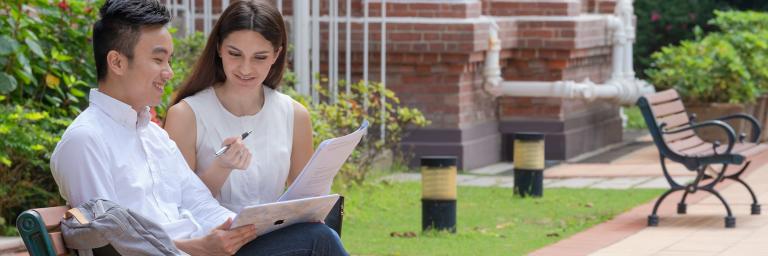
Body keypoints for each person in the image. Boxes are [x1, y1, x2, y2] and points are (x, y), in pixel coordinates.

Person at [49, 0, 347, 255]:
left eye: (169, 60)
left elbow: (200, 202)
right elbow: (107, 245)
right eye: (157, 59)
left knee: (316, 233)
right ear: (116, 62)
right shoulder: (86, 141)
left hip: (205, 250)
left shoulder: (152, 135)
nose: (168, 72)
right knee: (318, 242)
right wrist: (199, 248)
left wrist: (242, 228)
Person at [164, 0, 312, 214]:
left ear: (276, 55)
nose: (245, 68)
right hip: (212, 239)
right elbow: (175, 206)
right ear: (219, 48)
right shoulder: (186, 115)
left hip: (273, 238)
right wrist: (221, 168)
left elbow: (307, 199)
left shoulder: (295, 115)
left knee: (321, 234)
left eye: (259, 57)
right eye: (235, 54)